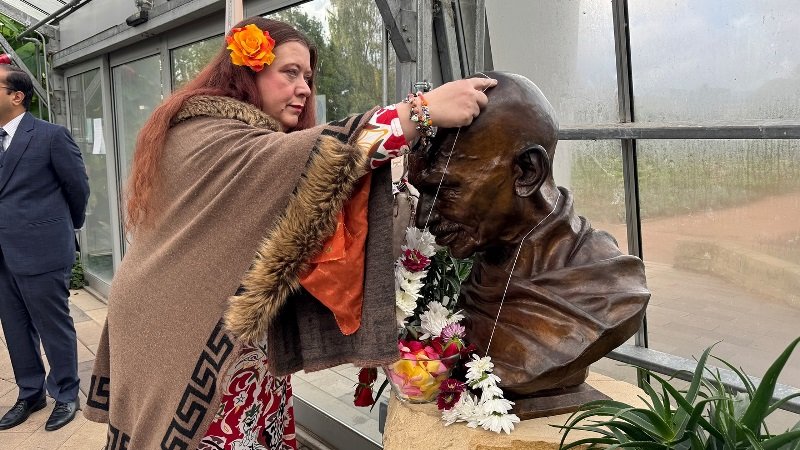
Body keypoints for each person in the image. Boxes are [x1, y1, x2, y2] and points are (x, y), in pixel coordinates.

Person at [83, 17, 496, 449]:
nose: (304, 88)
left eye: (309, 77)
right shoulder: (207, 133)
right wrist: (420, 112)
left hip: (208, 319)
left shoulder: (229, 135)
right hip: (178, 320)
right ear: (247, 69)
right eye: (290, 72)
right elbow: (311, 155)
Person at [410, 71, 649, 397]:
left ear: (527, 172)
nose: (426, 217)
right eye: (423, 192)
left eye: (447, 190)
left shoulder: (612, 287)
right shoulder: (487, 259)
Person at [0, 64, 90, 431]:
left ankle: (66, 394)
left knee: (52, 325)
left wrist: (64, 229)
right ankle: (31, 393)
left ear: (16, 96)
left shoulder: (51, 136)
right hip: (2, 255)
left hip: (41, 249)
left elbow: (78, 189)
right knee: (15, 327)